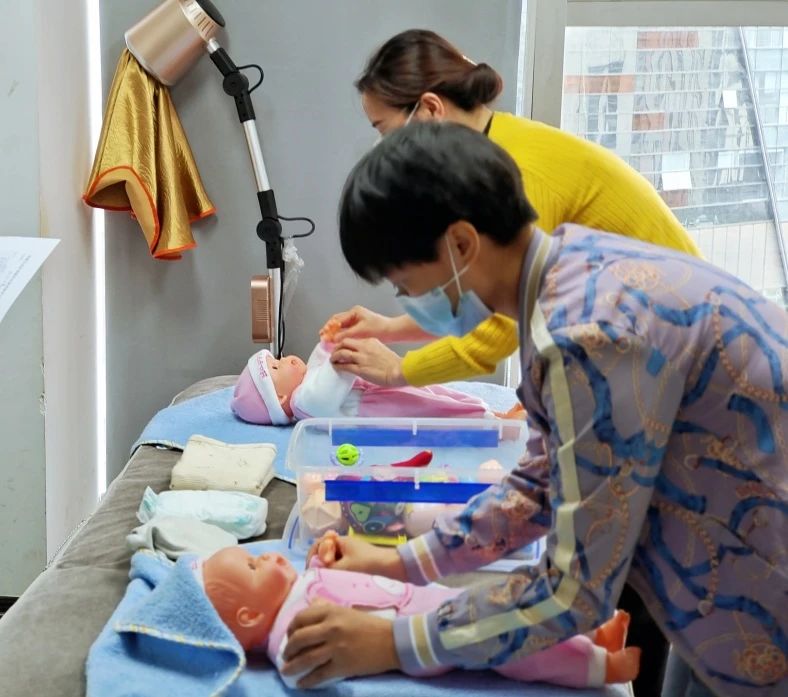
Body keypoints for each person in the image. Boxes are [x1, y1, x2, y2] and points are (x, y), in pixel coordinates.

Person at [278, 122, 787, 697]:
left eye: (404, 284)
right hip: (737, 577)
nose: (406, 303)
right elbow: (543, 480)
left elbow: (573, 592)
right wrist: (403, 563)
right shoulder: (573, 270)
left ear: (461, 244)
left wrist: (394, 641)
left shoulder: (586, 337)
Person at [325, 28, 702, 393]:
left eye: (384, 130)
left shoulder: (520, 172)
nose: (384, 147)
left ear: (430, 108)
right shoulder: (496, 147)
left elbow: (499, 329)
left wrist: (398, 369)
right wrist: (390, 328)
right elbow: (482, 295)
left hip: (677, 343)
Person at [201, 545, 640, 690]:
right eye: (254, 566)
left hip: (435, 601)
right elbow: (299, 669)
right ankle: (597, 666)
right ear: (249, 615)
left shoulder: (301, 584)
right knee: (514, 650)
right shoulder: (287, 632)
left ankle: (593, 632)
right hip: (425, 638)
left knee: (513, 603)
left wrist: (329, 558)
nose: (268, 555)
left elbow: (338, 584)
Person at [230, 344, 523, 425]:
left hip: (381, 392)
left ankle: (494, 415)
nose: (283, 359)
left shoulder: (307, 382)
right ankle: (497, 425)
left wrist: (330, 339)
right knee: (436, 410)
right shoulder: (303, 403)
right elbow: (328, 384)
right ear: (280, 398)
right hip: (380, 408)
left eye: (277, 358)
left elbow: (321, 360)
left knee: (437, 394)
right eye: (276, 367)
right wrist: (340, 355)